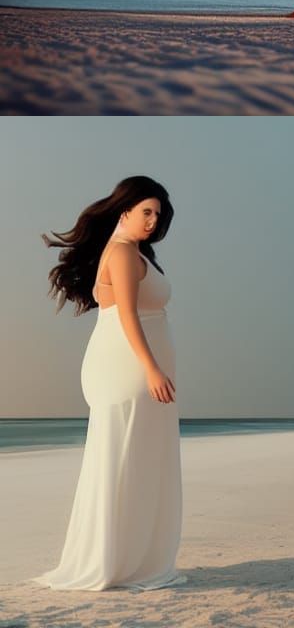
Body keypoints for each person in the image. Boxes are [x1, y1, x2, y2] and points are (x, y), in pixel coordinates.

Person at [30, 176, 187, 591]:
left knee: (139, 461)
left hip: (133, 366)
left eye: (158, 215)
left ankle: (131, 559)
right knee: (124, 459)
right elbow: (127, 317)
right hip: (126, 368)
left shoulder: (134, 252)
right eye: (146, 212)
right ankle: (114, 562)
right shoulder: (121, 252)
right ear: (124, 211)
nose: (153, 221)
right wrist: (151, 368)